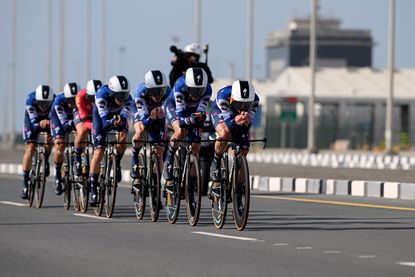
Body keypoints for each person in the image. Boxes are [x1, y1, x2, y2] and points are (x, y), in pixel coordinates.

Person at [163, 67, 212, 184]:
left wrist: (200, 117)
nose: (196, 94)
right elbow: (181, 119)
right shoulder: (179, 85)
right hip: (174, 107)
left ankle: (191, 184)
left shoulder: (208, 90)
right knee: (180, 131)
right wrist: (190, 119)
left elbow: (200, 112)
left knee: (196, 146)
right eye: (193, 90)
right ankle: (168, 160)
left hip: (192, 110)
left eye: (199, 91)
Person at [89, 75, 132, 206]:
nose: (122, 99)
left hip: (116, 117)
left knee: (123, 137)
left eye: (124, 95)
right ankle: (93, 188)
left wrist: (121, 120)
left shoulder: (128, 99)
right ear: (112, 92)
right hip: (101, 119)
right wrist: (113, 121)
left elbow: (125, 117)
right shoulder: (101, 95)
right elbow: (105, 123)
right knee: (99, 151)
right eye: (119, 95)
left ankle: (116, 162)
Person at [209, 80, 259, 188]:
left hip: (236, 117)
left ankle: (239, 188)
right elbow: (229, 125)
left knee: (244, 150)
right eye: (239, 104)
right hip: (220, 112)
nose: (242, 108)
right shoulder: (223, 96)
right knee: (225, 133)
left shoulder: (255, 100)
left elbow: (247, 126)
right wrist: (235, 121)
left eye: (246, 105)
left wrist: (246, 122)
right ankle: (216, 160)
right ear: (232, 99)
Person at [130, 70, 170, 186]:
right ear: (148, 89)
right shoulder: (140, 92)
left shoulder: (169, 92)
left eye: (161, 91)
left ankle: (155, 183)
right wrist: (152, 118)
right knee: (141, 130)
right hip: (141, 112)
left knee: (160, 151)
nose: (158, 95)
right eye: (154, 91)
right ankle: (135, 157)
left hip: (157, 114)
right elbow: (145, 123)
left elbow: (170, 117)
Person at [21, 85, 54, 199]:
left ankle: (46, 159)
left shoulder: (54, 100)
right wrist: (40, 124)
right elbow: (34, 124)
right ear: (36, 100)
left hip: (47, 120)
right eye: (41, 103)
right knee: (31, 147)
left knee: (51, 138)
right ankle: (25, 183)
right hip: (32, 122)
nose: (44, 106)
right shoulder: (30, 100)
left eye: (46, 104)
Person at [50, 82, 81, 195]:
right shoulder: (58, 101)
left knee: (82, 136)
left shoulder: (80, 100)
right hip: (58, 119)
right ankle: (58, 174)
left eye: (75, 100)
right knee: (60, 144)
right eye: (70, 101)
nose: (72, 103)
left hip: (73, 116)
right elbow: (65, 125)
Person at [73, 80, 102, 176]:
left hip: (95, 114)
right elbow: (85, 122)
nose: (95, 101)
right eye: (92, 98)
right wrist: (95, 127)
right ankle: (77, 156)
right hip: (82, 114)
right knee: (82, 131)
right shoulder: (80, 97)